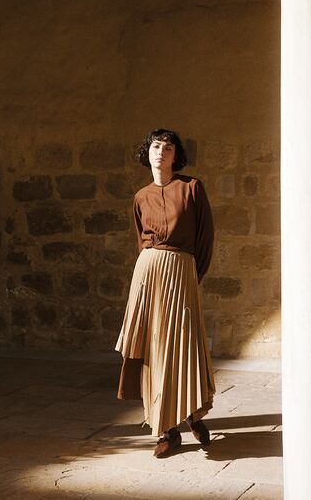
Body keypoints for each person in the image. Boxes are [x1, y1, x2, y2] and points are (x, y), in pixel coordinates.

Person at [115, 128, 215, 457]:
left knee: (185, 344)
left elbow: (205, 237)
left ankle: (192, 412)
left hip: (182, 270)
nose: (161, 152)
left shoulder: (191, 189)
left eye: (168, 148)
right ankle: (166, 430)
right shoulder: (140, 197)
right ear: (147, 153)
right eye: (156, 147)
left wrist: (191, 274)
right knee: (154, 348)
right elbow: (138, 239)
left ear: (176, 155)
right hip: (148, 274)